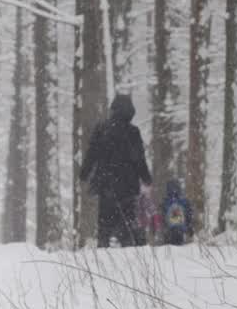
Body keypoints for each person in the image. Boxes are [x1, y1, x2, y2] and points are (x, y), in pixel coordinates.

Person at [79, 94, 152, 248]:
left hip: (106, 185)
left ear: (113, 109)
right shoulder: (133, 132)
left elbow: (92, 153)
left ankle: (103, 252)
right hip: (128, 186)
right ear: (130, 112)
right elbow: (139, 159)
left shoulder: (101, 128)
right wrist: (146, 178)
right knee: (127, 224)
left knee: (105, 224)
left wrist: (84, 173)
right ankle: (126, 256)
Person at [160, 180, 194, 246]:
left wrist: (163, 227)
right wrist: (189, 227)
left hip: (169, 229)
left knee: (168, 248)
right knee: (179, 246)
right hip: (180, 228)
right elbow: (189, 214)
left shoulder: (166, 201)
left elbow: (162, 216)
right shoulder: (183, 201)